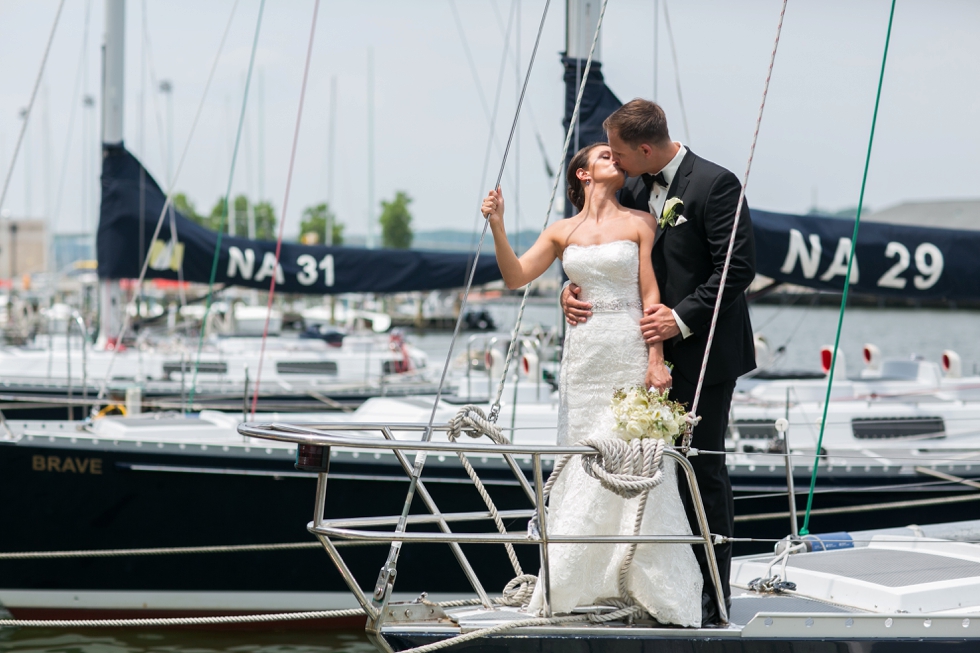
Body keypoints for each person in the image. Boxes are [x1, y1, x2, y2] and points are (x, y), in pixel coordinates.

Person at [481, 142, 703, 627]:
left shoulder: (642, 222)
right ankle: (576, 582)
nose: (616, 159)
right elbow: (516, 275)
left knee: (629, 460)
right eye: (605, 155)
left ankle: (639, 583)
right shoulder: (562, 231)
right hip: (582, 359)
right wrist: (498, 225)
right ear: (583, 174)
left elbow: (651, 295)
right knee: (580, 462)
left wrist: (656, 358)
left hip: (626, 349)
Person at [561, 99, 757, 624]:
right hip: (637, 357)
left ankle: (713, 599)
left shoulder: (716, 184)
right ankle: (642, 588)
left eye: (622, 154)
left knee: (701, 470)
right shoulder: (633, 189)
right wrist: (571, 288)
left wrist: (681, 318)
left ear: (645, 148)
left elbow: (737, 268)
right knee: (644, 474)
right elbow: (606, 249)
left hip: (705, 352)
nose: (617, 164)